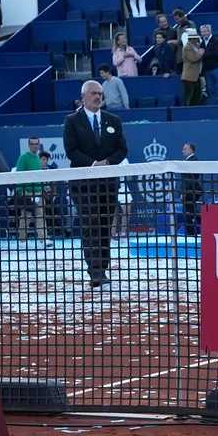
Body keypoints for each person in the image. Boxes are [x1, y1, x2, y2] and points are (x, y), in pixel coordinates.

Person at [64, 79, 127, 288]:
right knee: (90, 223)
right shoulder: (72, 121)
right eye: (93, 94)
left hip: (108, 183)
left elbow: (122, 149)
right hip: (83, 183)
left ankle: (103, 267)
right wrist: (94, 164)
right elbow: (71, 151)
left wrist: (107, 162)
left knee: (104, 225)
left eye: (100, 94)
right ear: (83, 97)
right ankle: (95, 271)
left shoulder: (114, 120)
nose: (98, 97)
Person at [11, 135, 48, 246]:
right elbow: (19, 175)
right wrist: (22, 192)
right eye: (32, 144)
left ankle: (43, 239)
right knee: (25, 217)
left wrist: (43, 187)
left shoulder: (37, 158)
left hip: (38, 192)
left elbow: (37, 176)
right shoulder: (23, 157)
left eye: (36, 144)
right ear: (28, 145)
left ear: (39, 145)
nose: (34, 146)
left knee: (41, 216)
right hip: (27, 192)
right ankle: (22, 240)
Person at [178, 29, 205, 106]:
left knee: (196, 97)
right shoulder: (187, 47)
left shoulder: (197, 46)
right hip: (189, 77)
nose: (195, 40)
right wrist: (201, 54)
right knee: (187, 97)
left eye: (196, 38)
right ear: (189, 39)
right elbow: (193, 58)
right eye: (193, 38)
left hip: (197, 76)